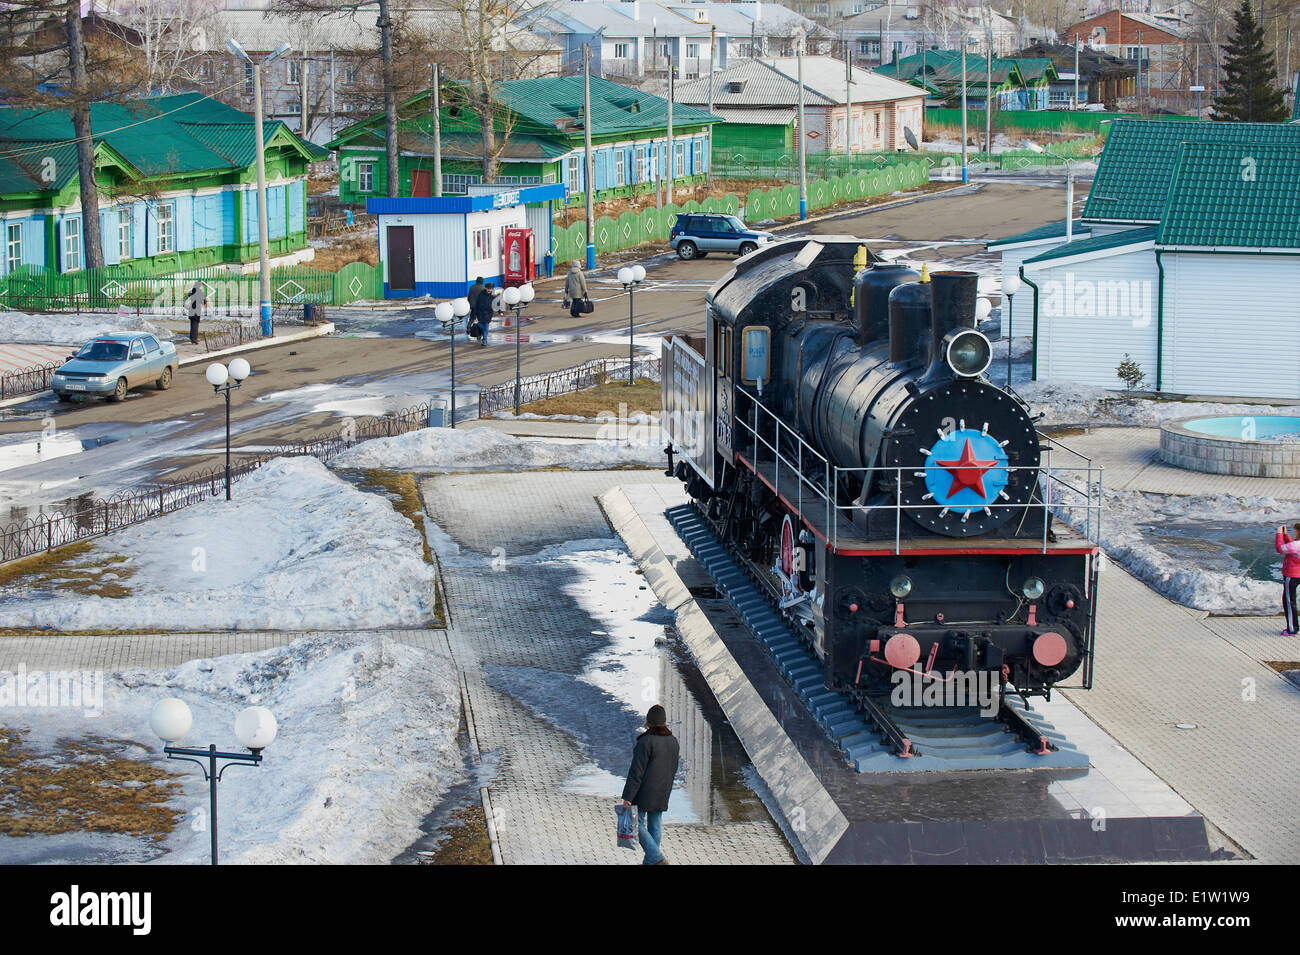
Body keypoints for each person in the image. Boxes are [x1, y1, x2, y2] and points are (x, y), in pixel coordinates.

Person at [621, 704, 679, 866]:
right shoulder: (673, 741)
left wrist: (628, 797)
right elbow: (674, 767)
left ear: (649, 721)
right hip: (663, 789)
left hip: (644, 790)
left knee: (635, 823)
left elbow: (636, 772)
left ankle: (656, 857)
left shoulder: (646, 741)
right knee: (655, 823)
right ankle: (650, 862)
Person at [1277, 525, 1300, 635]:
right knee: (1289, 600)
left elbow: (1280, 548)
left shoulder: (1297, 545)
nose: (1294, 532)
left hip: (1292, 576)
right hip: (1298, 574)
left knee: (1289, 602)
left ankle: (1292, 629)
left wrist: (1279, 534)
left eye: (1295, 531)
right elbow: (1292, 547)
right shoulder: (1296, 545)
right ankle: (1293, 627)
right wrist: (1286, 536)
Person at [472, 282, 496, 347]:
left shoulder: (493, 295)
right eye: (488, 288)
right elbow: (477, 304)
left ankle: (484, 340)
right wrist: (475, 313)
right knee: (481, 325)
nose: (489, 290)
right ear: (485, 288)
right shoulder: (481, 294)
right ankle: (479, 327)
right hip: (481, 313)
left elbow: (496, 304)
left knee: (486, 327)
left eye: (490, 289)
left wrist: (500, 311)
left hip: (488, 314)